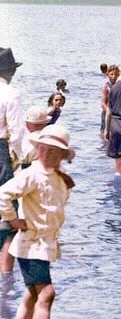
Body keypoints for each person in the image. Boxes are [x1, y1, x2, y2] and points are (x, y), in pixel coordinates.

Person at [0, 123, 75, 319]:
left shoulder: (60, 180)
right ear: (37, 149)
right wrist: (13, 220)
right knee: (47, 293)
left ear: (62, 155)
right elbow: (3, 194)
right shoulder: (32, 174)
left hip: (45, 244)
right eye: (43, 149)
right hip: (31, 244)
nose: (47, 154)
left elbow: (56, 210)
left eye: (53, 151)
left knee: (33, 293)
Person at [0, 47, 23, 274]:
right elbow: (16, 134)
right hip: (1, 153)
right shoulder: (11, 93)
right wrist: (19, 159)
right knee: (6, 219)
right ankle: (5, 276)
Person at [17, 106, 50, 170]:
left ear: (29, 123)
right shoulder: (50, 139)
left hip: (27, 169)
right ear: (45, 123)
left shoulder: (27, 139)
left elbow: (21, 158)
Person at [100, 64, 119, 137]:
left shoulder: (119, 86)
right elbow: (102, 104)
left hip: (117, 114)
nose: (113, 76)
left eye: (116, 74)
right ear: (107, 74)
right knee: (104, 133)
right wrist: (109, 112)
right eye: (111, 74)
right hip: (107, 113)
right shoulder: (106, 87)